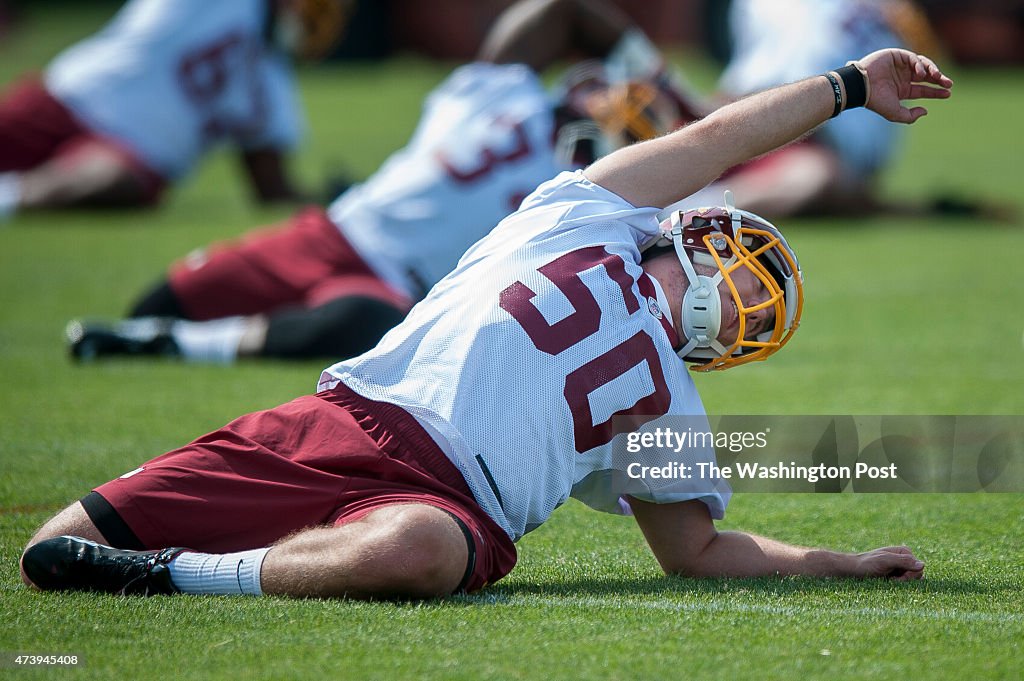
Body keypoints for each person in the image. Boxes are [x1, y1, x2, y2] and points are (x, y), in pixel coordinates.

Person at [20, 47, 952, 599]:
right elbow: (718, 140)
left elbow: (699, 550)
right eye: (739, 276)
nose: (732, 297)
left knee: (418, 551)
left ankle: (176, 578)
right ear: (688, 231)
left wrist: (837, 561)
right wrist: (845, 86)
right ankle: (178, 552)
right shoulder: (581, 212)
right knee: (54, 544)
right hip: (352, 416)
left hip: (456, 508)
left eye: (752, 305)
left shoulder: (669, 396)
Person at [62, 0, 703, 365]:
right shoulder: (494, 92)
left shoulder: (587, 200)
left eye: (634, 131)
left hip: (401, 289)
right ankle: (163, 332)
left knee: (368, 325)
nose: (615, 129)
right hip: (338, 231)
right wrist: (668, 82)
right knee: (161, 298)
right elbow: (564, 12)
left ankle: (178, 348)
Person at [0, 0, 351, 219]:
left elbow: (271, 188)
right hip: (72, 97)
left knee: (112, 181)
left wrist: (336, 202)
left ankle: (9, 198)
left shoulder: (270, 77)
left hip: (134, 157)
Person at [673, 0, 970, 220]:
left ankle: (686, 214)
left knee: (816, 177)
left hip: (813, 141)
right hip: (747, 117)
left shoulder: (892, 14)